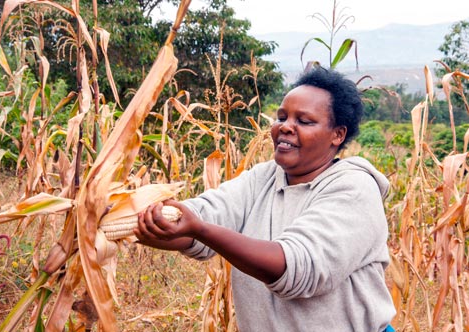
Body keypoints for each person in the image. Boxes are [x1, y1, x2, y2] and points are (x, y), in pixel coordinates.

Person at [133, 67, 396, 332]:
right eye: (282, 117)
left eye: (304, 121)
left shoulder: (354, 188)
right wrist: (140, 221)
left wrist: (199, 229)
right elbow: (203, 215)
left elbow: (297, 268)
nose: (285, 127)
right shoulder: (264, 178)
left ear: (337, 135)